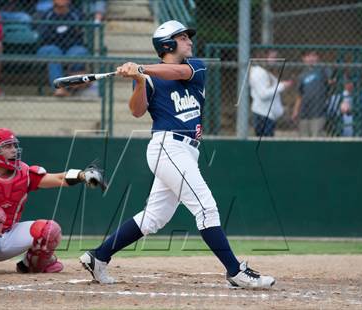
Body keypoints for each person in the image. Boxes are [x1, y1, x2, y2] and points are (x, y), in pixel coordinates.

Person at [79, 20, 275, 289]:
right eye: (182, 38)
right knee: (206, 207)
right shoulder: (148, 77)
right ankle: (235, 271)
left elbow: (175, 72)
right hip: (167, 147)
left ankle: (98, 256)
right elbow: (137, 111)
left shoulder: (195, 67)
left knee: (154, 217)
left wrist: (141, 68)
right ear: (167, 44)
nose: (189, 41)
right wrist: (138, 79)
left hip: (186, 150)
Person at [0, 127, 106, 275]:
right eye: (7, 146)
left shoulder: (24, 174)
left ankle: (31, 265)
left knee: (50, 230)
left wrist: (81, 175)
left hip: (6, 235)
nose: (14, 150)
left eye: (15, 145)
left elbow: (57, 178)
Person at [36, 0, 90, 97]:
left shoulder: (76, 15)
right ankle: (60, 89)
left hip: (71, 47)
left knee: (79, 51)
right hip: (49, 48)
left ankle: (74, 82)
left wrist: (59, 36)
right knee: (54, 52)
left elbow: (78, 36)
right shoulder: (47, 15)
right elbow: (44, 38)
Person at [249, 50, 293, 136]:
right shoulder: (258, 72)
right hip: (262, 115)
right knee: (265, 146)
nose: (275, 60)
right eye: (272, 58)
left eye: (275, 58)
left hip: (268, 116)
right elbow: (263, 94)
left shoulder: (265, 72)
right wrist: (282, 86)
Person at [292, 50, 333, 137]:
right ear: (303, 59)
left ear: (318, 57)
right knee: (304, 139)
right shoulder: (301, 75)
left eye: (313, 56)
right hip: (304, 113)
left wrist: (331, 80)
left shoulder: (323, 69)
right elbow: (299, 95)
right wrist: (295, 110)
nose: (311, 59)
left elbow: (331, 80)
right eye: (308, 56)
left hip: (318, 112)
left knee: (316, 138)